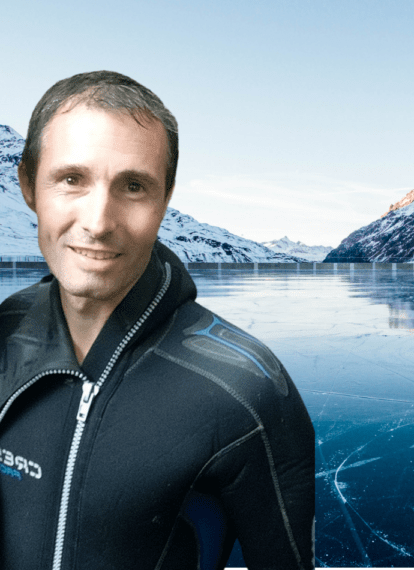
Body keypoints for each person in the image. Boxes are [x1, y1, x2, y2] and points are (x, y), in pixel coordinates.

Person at [0, 71, 315, 570]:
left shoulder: (245, 389)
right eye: (71, 179)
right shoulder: (3, 333)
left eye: (133, 186)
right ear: (28, 187)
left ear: (165, 201)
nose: (99, 222)